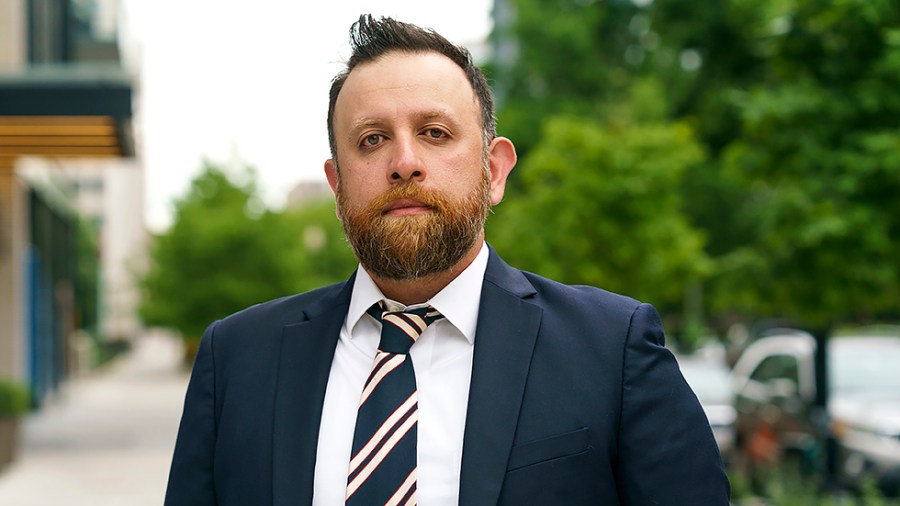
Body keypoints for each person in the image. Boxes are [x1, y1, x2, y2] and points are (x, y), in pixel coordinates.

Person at [164, 14, 731, 506]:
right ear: (336, 188)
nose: (404, 162)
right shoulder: (236, 361)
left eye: (434, 133)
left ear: (495, 171)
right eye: (371, 140)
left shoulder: (614, 351)